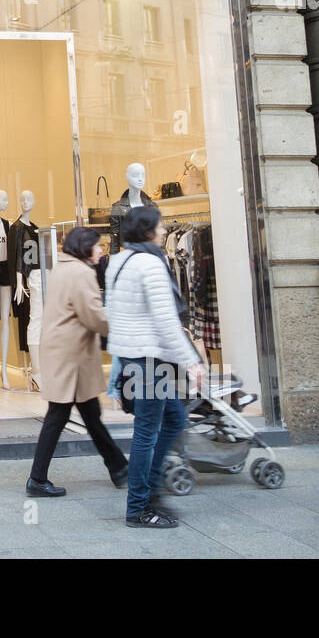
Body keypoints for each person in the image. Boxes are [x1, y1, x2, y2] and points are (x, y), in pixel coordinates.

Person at [105, 206, 204, 528]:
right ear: (147, 230)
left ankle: (153, 488)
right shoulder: (150, 262)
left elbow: (115, 312)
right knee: (146, 433)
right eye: (160, 226)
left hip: (134, 358)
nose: (164, 231)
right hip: (148, 360)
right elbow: (165, 320)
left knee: (174, 418)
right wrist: (191, 360)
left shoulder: (118, 261)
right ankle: (139, 508)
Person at [26, 226, 128, 498]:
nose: (100, 250)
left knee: (90, 415)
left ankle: (119, 468)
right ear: (85, 247)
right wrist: (122, 326)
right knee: (58, 416)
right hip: (71, 356)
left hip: (67, 354)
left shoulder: (63, 267)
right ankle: (37, 479)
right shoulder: (82, 272)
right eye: (96, 245)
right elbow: (93, 316)